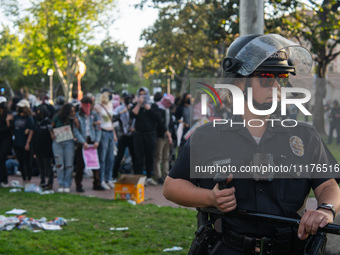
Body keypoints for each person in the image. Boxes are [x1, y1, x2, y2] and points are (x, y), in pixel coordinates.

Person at [163, 34, 340, 255]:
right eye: (267, 78)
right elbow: (171, 186)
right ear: (239, 83)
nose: (276, 85)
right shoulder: (207, 136)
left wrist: (326, 210)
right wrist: (210, 198)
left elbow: (328, 185)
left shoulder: (305, 136)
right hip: (227, 248)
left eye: (282, 78)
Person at [130, 87, 162, 186]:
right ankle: (139, 177)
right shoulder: (136, 105)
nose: (142, 96)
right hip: (139, 134)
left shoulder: (153, 105)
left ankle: (148, 177)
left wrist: (150, 109)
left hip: (150, 134)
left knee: (150, 156)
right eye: (140, 94)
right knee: (138, 157)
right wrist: (139, 104)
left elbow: (159, 118)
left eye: (144, 94)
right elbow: (132, 115)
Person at [73, 96, 103, 192]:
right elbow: (76, 131)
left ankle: (97, 183)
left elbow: (98, 128)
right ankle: (79, 185)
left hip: (92, 139)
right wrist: (82, 142)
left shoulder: (94, 115)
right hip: (82, 141)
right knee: (80, 164)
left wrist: (97, 141)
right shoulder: (77, 116)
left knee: (95, 163)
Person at [94, 91, 117, 190]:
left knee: (110, 157)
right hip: (103, 132)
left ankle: (109, 178)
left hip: (110, 132)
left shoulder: (110, 105)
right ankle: (102, 180)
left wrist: (114, 133)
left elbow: (111, 121)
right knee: (102, 157)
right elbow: (94, 120)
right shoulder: (97, 107)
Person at [51, 103, 76, 193]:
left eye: (74, 111)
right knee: (59, 164)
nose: (73, 113)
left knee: (69, 164)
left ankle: (67, 184)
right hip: (58, 141)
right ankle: (61, 183)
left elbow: (77, 130)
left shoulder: (73, 119)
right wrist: (52, 134)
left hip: (69, 142)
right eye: (71, 111)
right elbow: (51, 126)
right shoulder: (57, 117)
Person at [8, 99, 34, 185]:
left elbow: (31, 130)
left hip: (25, 142)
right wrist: (8, 120)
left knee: (27, 161)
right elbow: (11, 128)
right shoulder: (16, 117)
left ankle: (29, 179)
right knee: (21, 162)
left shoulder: (29, 118)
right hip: (17, 142)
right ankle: (24, 179)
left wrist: (28, 143)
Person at [112, 93, 136, 180]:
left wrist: (134, 128)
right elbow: (113, 118)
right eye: (126, 99)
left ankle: (136, 175)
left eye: (129, 98)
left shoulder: (133, 107)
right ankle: (114, 175)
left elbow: (136, 117)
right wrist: (123, 112)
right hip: (122, 135)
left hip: (132, 135)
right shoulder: (119, 108)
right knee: (119, 156)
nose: (128, 100)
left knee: (134, 156)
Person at [31, 104, 54, 190]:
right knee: (40, 166)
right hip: (38, 148)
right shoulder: (37, 122)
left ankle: (50, 182)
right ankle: (42, 180)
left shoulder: (48, 122)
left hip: (47, 149)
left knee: (48, 166)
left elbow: (52, 135)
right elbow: (34, 135)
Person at [154, 94, 175, 184]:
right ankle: (158, 176)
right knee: (158, 156)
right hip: (161, 135)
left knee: (166, 156)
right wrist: (167, 133)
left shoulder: (168, 109)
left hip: (168, 135)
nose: (169, 105)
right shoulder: (158, 108)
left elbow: (170, 122)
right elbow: (160, 123)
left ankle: (166, 175)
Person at [0, 97, 12, 187]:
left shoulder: (8, 114)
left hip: (6, 139)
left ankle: (4, 180)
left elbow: (10, 129)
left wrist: (8, 121)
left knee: (2, 158)